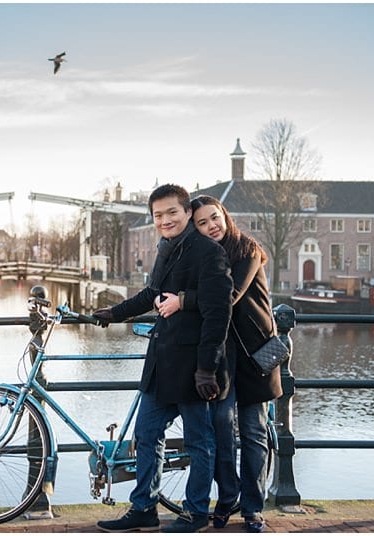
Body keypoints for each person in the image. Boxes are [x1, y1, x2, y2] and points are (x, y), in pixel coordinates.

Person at [93, 184, 233, 533]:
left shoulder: (209, 252)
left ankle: (195, 513)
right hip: (162, 362)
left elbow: (218, 314)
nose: (165, 220)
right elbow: (152, 294)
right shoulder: (166, 248)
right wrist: (115, 312)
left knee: (199, 442)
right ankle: (144, 508)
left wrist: (206, 369)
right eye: (158, 215)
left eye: (172, 212)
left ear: (187, 212)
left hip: (193, 366)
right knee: (146, 434)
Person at [156, 195, 282, 533]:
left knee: (254, 434)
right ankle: (227, 500)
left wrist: (183, 301)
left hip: (255, 356)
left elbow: (230, 296)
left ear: (225, 216)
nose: (212, 226)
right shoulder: (201, 256)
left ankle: (253, 509)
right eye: (202, 222)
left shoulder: (247, 250)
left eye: (215, 217)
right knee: (221, 432)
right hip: (223, 357)